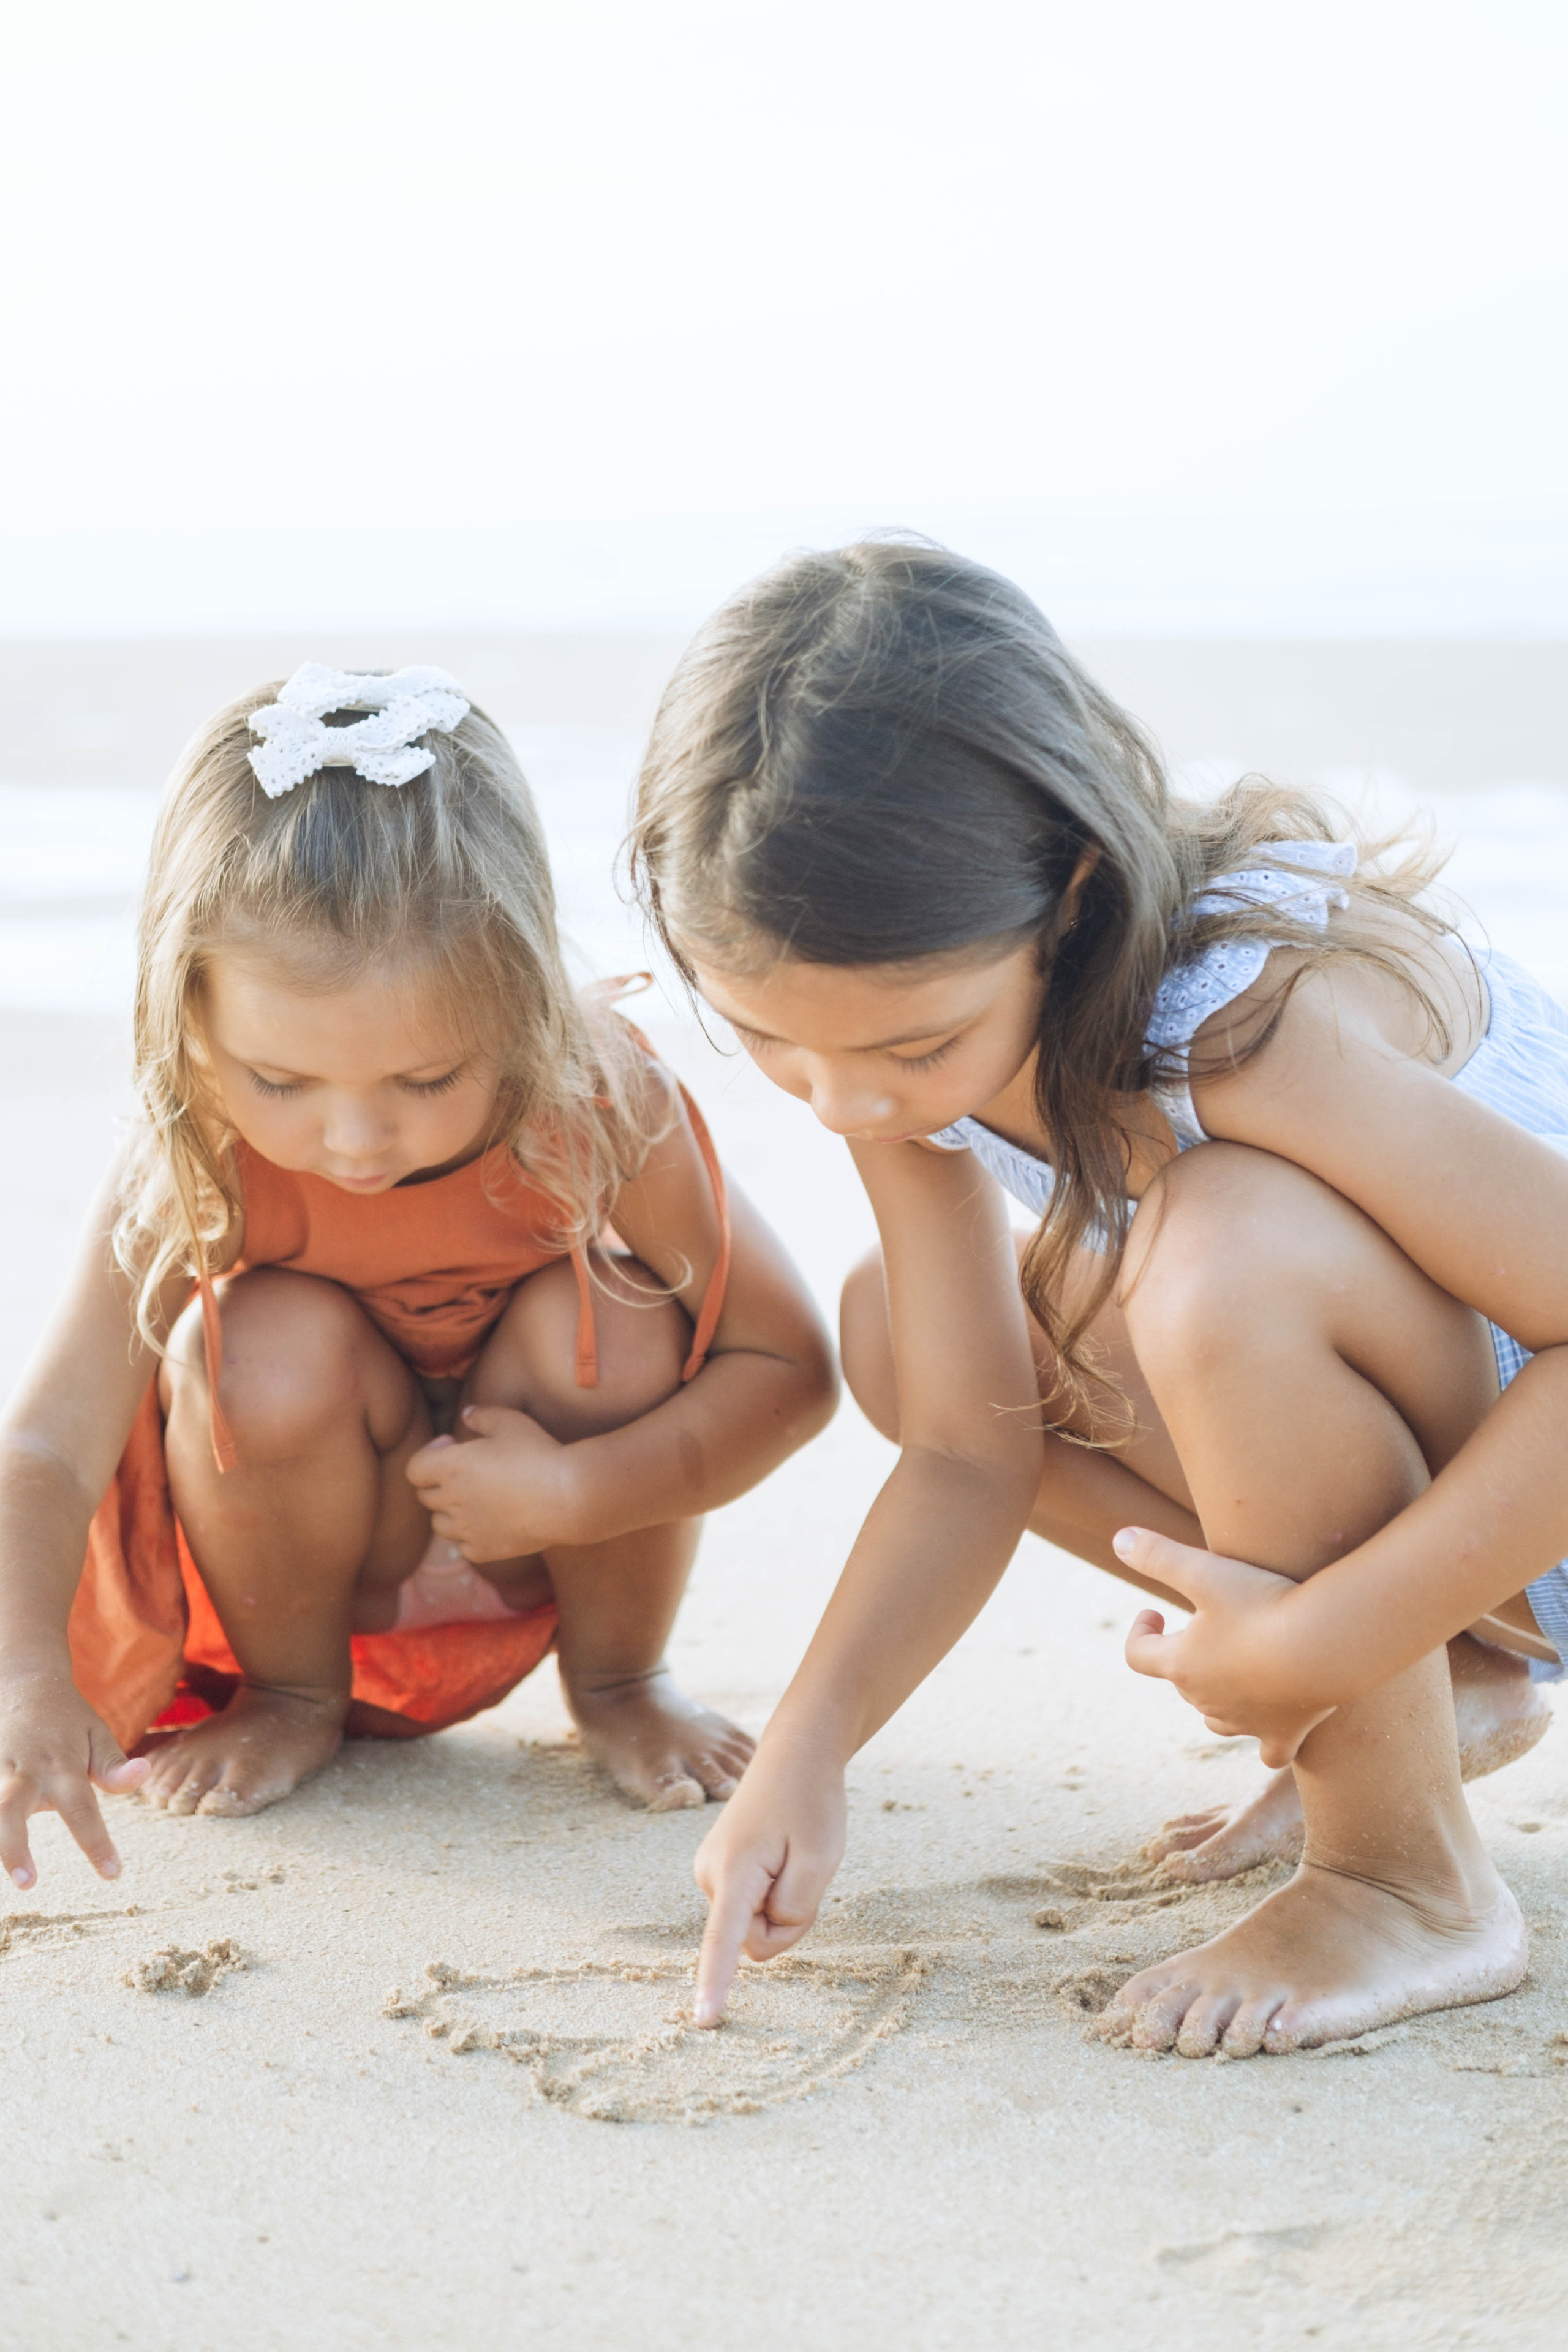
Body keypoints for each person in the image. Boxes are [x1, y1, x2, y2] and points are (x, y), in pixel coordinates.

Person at [628, 539, 1568, 2058]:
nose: (846, 1104)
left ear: (1070, 897)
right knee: (902, 1327)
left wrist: (1318, 1638)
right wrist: (807, 1751)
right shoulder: (892, 1035)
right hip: (1476, 1512)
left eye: (910, 1050)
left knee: (1224, 1249)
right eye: (773, 1043)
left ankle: (1401, 1880)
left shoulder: (1242, 1025)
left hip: (1535, 1492)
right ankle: (1440, 1679)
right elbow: (965, 1447)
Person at [0, 664, 835, 1887]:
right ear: (189, 1019)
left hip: (554, 1530)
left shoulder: (597, 1102)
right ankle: (293, 1697)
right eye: (281, 1081)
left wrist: (578, 1492)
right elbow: (48, 1443)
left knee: (611, 1312)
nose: (353, 1139)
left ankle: (620, 1681)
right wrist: (26, 1673)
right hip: (330, 1562)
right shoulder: (196, 1150)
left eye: (427, 1079)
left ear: (524, 1007)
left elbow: (790, 1366)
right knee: (253, 1342)